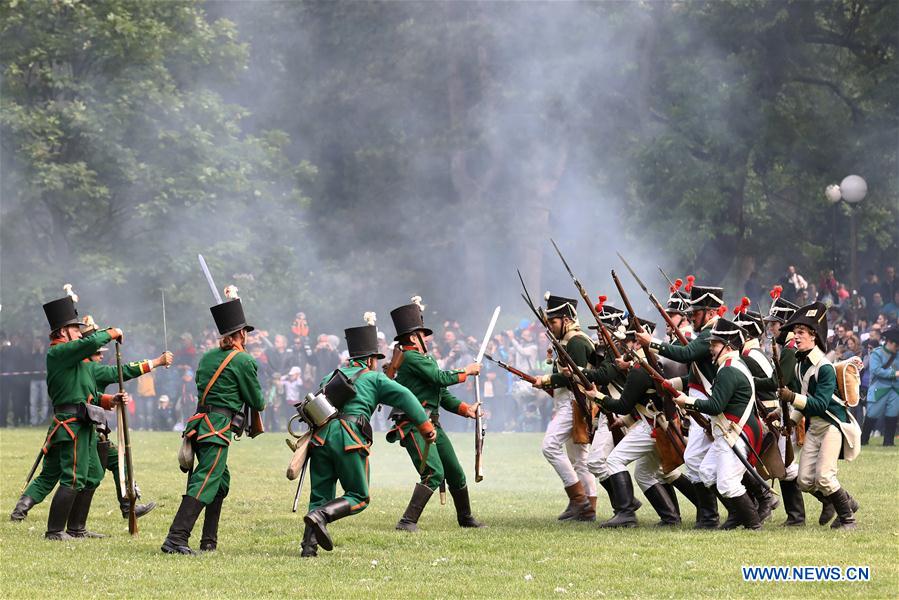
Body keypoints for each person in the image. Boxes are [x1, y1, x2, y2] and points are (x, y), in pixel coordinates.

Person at [301, 319, 436, 556]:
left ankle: (308, 548)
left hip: (320, 438)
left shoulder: (331, 375)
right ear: (371, 359)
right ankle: (321, 515)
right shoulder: (375, 378)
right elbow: (406, 397)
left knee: (320, 494)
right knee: (359, 497)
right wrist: (426, 427)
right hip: (349, 437)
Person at [161, 297, 265, 555]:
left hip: (200, 424)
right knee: (206, 480)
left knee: (220, 483)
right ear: (241, 334)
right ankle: (176, 539)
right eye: (246, 332)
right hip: (217, 427)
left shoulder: (207, 357)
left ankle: (209, 541)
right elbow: (257, 401)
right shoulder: (244, 361)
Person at [386, 300, 483, 532]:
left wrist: (465, 409)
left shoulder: (424, 360)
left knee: (455, 472)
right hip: (413, 426)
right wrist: (466, 371)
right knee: (433, 472)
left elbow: (440, 392)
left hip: (432, 424)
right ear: (412, 338)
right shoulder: (411, 359)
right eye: (422, 334)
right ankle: (407, 521)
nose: (426, 339)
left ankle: (465, 518)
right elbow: (440, 378)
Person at [635, 278, 724, 529]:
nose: (692, 316)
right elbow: (694, 373)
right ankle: (708, 516)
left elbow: (684, 355)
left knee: (710, 461)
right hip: (698, 398)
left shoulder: (713, 333)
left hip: (708, 401)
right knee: (697, 460)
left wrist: (650, 343)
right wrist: (672, 384)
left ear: (711, 311)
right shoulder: (706, 333)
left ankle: (728, 512)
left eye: (696, 312)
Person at [34, 295, 125, 540]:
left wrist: (107, 400)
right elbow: (87, 344)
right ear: (63, 331)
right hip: (71, 423)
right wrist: (112, 331)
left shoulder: (72, 357)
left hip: (84, 420)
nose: (79, 332)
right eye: (75, 328)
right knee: (72, 476)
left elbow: (86, 389)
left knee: (87, 475)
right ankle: (54, 531)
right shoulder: (59, 352)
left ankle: (76, 529)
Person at [588, 319, 681, 528]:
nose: (625, 346)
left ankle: (626, 513)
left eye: (630, 342)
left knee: (613, 461)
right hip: (655, 422)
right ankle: (671, 517)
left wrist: (597, 397)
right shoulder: (648, 365)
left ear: (638, 344)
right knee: (644, 474)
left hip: (652, 426)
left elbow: (622, 404)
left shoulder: (640, 370)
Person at [673, 318, 763, 530]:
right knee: (706, 471)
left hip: (736, 432)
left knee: (727, 484)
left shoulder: (729, 369)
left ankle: (753, 525)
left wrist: (687, 401)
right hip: (727, 431)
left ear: (728, 346)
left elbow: (715, 406)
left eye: (714, 344)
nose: (710, 348)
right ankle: (736, 515)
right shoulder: (728, 366)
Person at [777, 302, 860, 530]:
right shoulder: (799, 365)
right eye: (795, 333)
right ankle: (843, 502)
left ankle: (848, 520)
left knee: (824, 476)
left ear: (814, 336)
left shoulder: (824, 367)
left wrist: (791, 397)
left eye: (801, 333)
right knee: (804, 481)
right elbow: (804, 402)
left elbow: (820, 404)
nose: (796, 336)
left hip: (832, 424)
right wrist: (791, 422)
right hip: (815, 427)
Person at [532, 293, 598, 522]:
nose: (550, 326)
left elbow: (575, 377)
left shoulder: (577, 342)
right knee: (579, 460)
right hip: (567, 402)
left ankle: (578, 499)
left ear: (567, 320)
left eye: (553, 321)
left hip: (574, 403)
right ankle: (588, 509)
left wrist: (547, 381)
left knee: (549, 446)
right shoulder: (565, 341)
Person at [756, 288, 805, 526]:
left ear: (784, 324)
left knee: (787, 465)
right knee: (787, 465)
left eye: (774, 324)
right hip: (786, 409)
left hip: (792, 410)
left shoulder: (788, 351)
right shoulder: (786, 349)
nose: (770, 328)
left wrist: (750, 381)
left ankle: (835, 502)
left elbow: (778, 382)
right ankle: (797, 515)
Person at [864, 326, 899, 446]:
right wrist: (894, 373)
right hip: (880, 388)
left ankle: (888, 442)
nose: (897, 348)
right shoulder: (877, 353)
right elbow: (876, 370)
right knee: (872, 414)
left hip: (895, 389)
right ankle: (864, 440)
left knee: (892, 415)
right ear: (889, 342)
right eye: (896, 345)